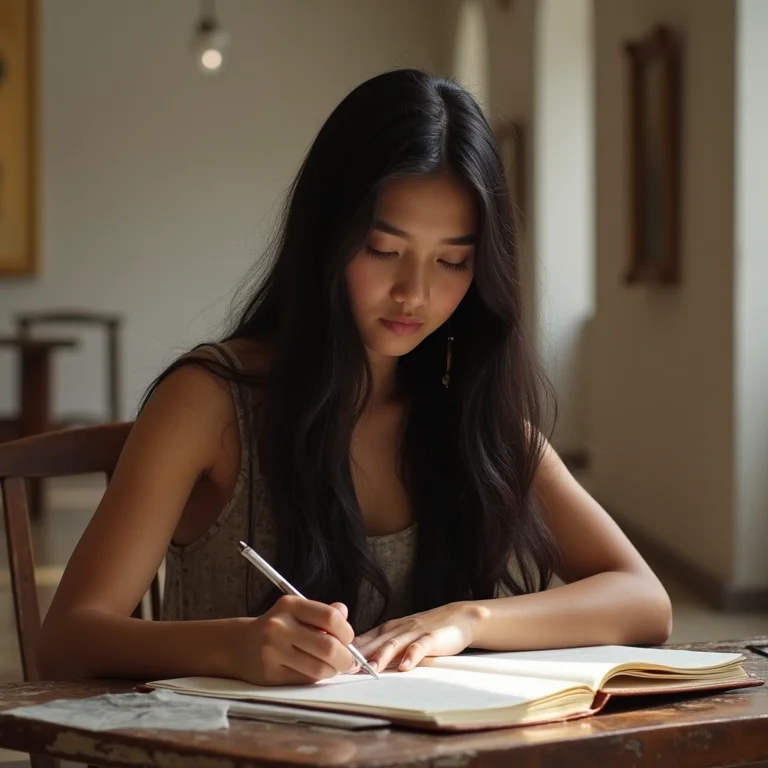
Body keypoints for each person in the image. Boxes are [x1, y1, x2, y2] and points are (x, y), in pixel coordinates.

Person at [38, 69, 672, 686]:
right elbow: (67, 640)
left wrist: (466, 620)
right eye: (383, 251)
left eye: (452, 261)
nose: (414, 293)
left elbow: (645, 602)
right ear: (326, 236)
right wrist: (233, 645)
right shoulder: (211, 401)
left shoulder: (470, 408)